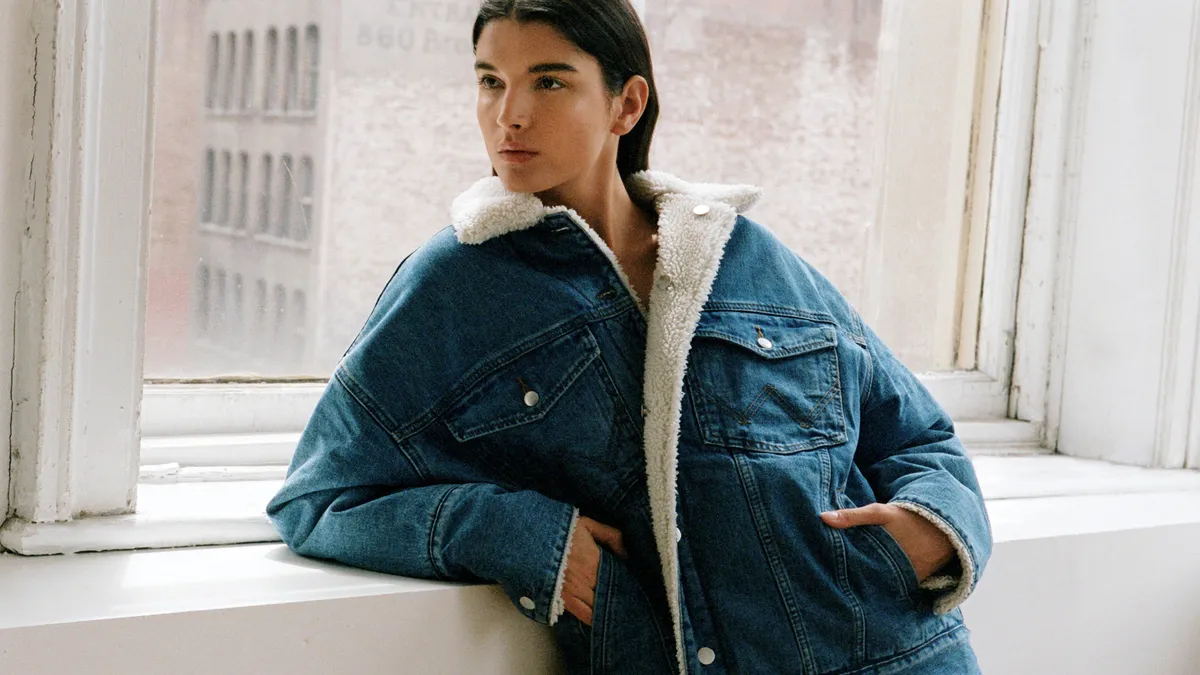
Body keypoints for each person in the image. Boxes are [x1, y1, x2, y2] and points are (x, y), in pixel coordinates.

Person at [266, 1, 993, 673]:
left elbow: (917, 437)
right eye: (490, 82)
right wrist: (521, 533)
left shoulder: (743, 256)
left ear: (627, 103)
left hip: (904, 655)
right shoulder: (453, 286)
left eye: (548, 82)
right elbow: (320, 499)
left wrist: (933, 528)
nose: (508, 115)